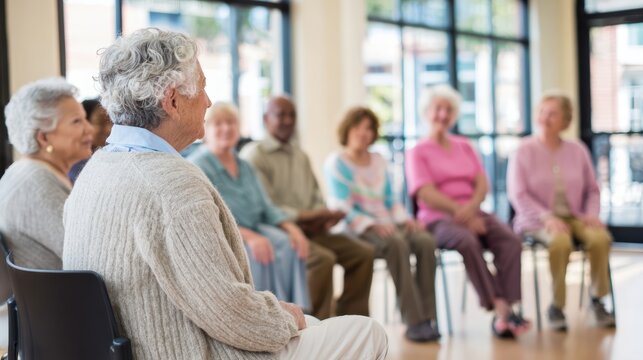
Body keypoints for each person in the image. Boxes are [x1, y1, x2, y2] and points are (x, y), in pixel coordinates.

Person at [62, 28, 387, 359]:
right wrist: (285, 316)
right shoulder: (171, 183)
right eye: (202, 88)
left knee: (317, 321)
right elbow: (230, 315)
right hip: (188, 351)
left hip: (135, 345)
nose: (208, 101)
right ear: (172, 100)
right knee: (367, 332)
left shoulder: (94, 170)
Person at [405, 84, 530, 338]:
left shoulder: (464, 145)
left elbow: (482, 182)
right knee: (467, 240)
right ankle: (500, 307)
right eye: (438, 108)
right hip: (438, 219)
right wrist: (461, 213)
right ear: (426, 112)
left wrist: (471, 209)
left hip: (474, 212)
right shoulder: (417, 151)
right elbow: (424, 192)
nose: (443, 114)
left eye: (448, 109)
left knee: (510, 240)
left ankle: (507, 309)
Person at [240, 95, 375, 320]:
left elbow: (316, 195)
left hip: (313, 228)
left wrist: (324, 216)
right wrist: (307, 215)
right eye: (280, 115)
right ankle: (316, 325)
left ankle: (350, 320)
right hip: (281, 232)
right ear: (265, 119)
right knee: (323, 259)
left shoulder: (300, 155)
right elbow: (267, 207)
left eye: (292, 115)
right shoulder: (254, 156)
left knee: (363, 253)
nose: (287, 120)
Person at [325, 106, 440, 342]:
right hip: (357, 228)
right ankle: (414, 321)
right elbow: (342, 207)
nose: (363, 133)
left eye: (368, 128)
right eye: (358, 127)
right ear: (347, 129)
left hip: (387, 223)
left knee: (425, 241)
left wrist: (406, 219)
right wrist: (372, 225)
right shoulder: (336, 162)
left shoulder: (378, 160)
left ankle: (428, 317)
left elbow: (390, 200)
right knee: (396, 243)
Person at [507, 92, 615, 330]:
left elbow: (592, 189)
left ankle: (597, 299)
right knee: (560, 242)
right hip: (536, 219)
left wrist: (591, 214)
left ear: (565, 121)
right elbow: (518, 193)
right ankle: (557, 306)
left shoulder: (577, 150)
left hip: (576, 215)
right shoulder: (523, 151)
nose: (545, 117)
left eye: (552, 113)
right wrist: (546, 216)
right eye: (543, 111)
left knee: (599, 239)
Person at [188, 102, 310, 310]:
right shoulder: (198, 166)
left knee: (289, 243)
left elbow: (267, 207)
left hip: (256, 226)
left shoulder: (244, 165)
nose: (226, 128)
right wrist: (250, 237)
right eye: (218, 123)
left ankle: (295, 311)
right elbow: (212, 218)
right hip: (226, 235)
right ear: (205, 130)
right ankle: (265, 313)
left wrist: (293, 229)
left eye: (231, 123)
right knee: (258, 249)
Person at [0, 77, 94, 269]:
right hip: (61, 298)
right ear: (43, 137)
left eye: (85, 118)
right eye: (77, 121)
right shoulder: (36, 184)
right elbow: (90, 256)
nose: (89, 129)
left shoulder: (28, 171)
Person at [68, 98, 113, 182]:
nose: (109, 129)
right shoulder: (77, 167)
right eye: (100, 122)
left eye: (110, 121)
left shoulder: (110, 155)